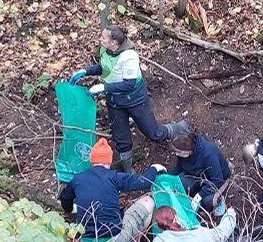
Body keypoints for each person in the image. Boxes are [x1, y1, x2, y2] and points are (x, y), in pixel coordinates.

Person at [69, 25, 188, 173]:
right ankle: (128, 170)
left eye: (103, 37)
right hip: (115, 101)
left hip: (134, 99)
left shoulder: (129, 56)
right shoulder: (106, 51)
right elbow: (104, 67)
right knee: (121, 138)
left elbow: (129, 84)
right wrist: (86, 71)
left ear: (114, 42)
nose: (100, 39)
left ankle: (178, 128)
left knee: (153, 133)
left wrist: (103, 88)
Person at [59, 138, 165, 242]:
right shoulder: (114, 177)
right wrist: (154, 168)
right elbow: (144, 182)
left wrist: (72, 209)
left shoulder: (78, 179)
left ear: (92, 160)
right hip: (115, 240)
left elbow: (65, 199)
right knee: (148, 202)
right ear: (109, 161)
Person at [168, 132, 231, 216]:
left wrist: (199, 195)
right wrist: (167, 178)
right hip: (198, 177)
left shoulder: (208, 154)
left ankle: (219, 200)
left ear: (189, 151)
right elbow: (177, 170)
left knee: (208, 201)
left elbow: (217, 181)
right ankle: (196, 193)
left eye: (178, 152)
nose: (176, 154)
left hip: (218, 180)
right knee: (180, 182)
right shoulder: (182, 155)